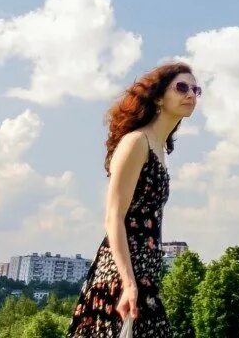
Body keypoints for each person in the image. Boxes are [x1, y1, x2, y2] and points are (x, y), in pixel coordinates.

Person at [69, 63, 200, 338]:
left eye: (195, 89)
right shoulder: (136, 142)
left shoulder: (159, 149)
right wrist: (128, 283)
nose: (191, 94)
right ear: (157, 97)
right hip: (120, 278)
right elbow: (113, 217)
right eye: (181, 87)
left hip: (145, 278)